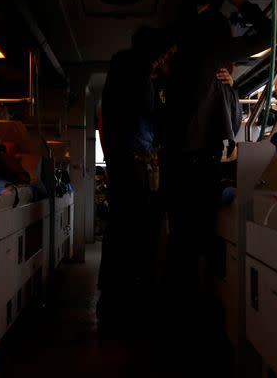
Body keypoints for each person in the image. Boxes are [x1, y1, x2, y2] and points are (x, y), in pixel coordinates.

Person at [156, 0, 269, 347]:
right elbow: (269, 34)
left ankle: (176, 326)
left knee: (180, 243)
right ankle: (198, 330)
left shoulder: (180, 47)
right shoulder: (213, 38)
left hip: (174, 157)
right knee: (200, 243)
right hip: (200, 158)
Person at [96, 26, 175, 329]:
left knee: (120, 231)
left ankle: (113, 301)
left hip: (123, 161)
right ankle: (130, 303)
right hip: (134, 163)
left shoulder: (123, 68)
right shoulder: (138, 74)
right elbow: (150, 111)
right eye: (164, 55)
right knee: (137, 231)